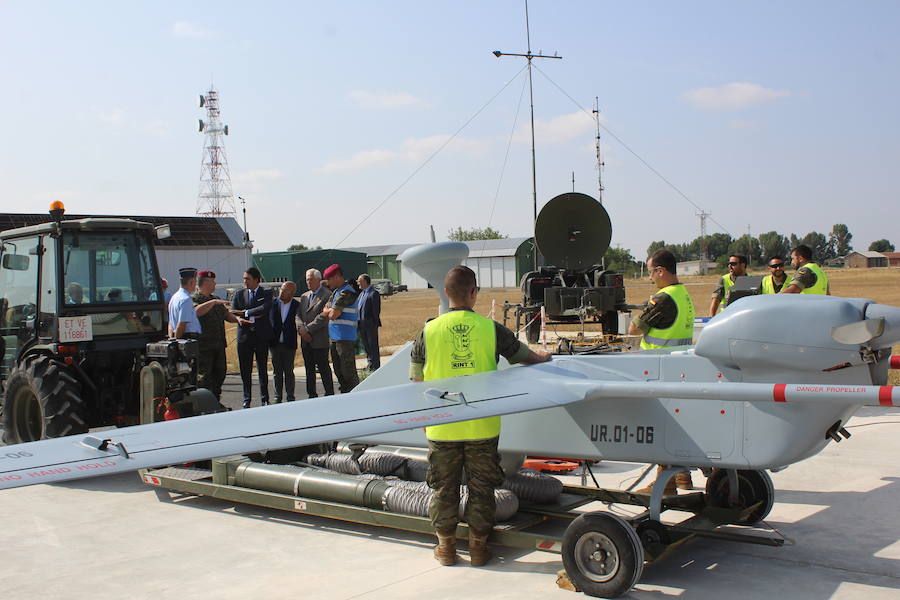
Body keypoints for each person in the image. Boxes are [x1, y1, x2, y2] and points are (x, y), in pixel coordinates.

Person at [410, 265, 551, 567]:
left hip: (442, 427)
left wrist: (423, 420)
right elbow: (522, 356)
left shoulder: (428, 330)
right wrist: (543, 358)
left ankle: (446, 549)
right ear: (474, 293)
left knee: (443, 489)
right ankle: (478, 549)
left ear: (445, 293)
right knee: (482, 489)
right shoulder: (490, 329)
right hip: (482, 426)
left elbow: (416, 382)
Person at [628, 249, 697, 493]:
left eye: (650, 272)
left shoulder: (664, 298)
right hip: (678, 367)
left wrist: (646, 306)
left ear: (661, 270)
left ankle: (665, 483)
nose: (649, 277)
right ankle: (681, 478)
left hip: (658, 368)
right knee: (676, 424)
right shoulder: (684, 294)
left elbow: (634, 329)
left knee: (660, 426)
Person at [230, 267, 274, 408]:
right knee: (245, 370)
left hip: (261, 337)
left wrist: (246, 312)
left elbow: (265, 308)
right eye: (244, 279)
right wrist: (240, 316)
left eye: (247, 279)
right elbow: (233, 312)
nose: (245, 282)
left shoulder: (266, 293)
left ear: (256, 280)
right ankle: (247, 398)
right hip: (244, 337)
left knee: (262, 369)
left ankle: (265, 398)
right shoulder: (239, 294)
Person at [192, 270, 237, 400]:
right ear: (205, 282)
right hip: (204, 347)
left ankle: (216, 402)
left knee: (220, 374)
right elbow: (196, 312)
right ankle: (204, 404)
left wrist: (237, 320)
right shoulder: (194, 299)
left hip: (219, 345)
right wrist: (212, 303)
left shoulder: (216, 299)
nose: (215, 284)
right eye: (213, 281)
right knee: (204, 378)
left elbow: (226, 315)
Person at [322, 264, 360, 393]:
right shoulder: (335, 293)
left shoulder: (347, 292)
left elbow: (333, 314)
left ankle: (355, 396)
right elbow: (325, 310)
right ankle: (345, 395)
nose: (327, 282)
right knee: (338, 371)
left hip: (345, 338)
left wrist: (329, 311)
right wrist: (329, 310)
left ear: (337, 276)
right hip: (335, 337)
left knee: (348, 372)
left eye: (329, 279)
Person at [298, 269, 334, 397]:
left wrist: (308, 329)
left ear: (318, 280)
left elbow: (324, 317)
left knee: (323, 368)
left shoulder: (327, 295)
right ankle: (311, 395)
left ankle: (329, 393)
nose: (308, 282)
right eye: (307, 279)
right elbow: (298, 316)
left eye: (310, 279)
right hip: (305, 341)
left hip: (319, 340)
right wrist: (301, 329)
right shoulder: (304, 296)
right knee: (309, 370)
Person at [270, 281, 300, 403]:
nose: (281, 292)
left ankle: (290, 396)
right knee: (277, 371)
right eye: (281, 289)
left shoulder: (297, 305)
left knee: (288, 371)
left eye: (285, 290)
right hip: (275, 343)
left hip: (289, 343)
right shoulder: (273, 303)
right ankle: (277, 397)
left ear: (292, 293)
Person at [356, 273, 382, 371]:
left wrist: (373, 323)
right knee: (366, 346)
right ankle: (370, 364)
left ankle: (376, 366)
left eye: (360, 281)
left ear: (365, 281)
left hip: (370, 325)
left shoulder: (373, 293)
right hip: (361, 325)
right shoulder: (362, 293)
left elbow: (376, 311)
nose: (358, 283)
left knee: (372, 346)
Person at [168, 267, 202, 339]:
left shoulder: (174, 297)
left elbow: (170, 323)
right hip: (187, 338)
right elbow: (181, 325)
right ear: (191, 282)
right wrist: (177, 343)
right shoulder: (186, 299)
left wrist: (171, 339)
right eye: (195, 282)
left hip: (179, 336)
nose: (196, 284)